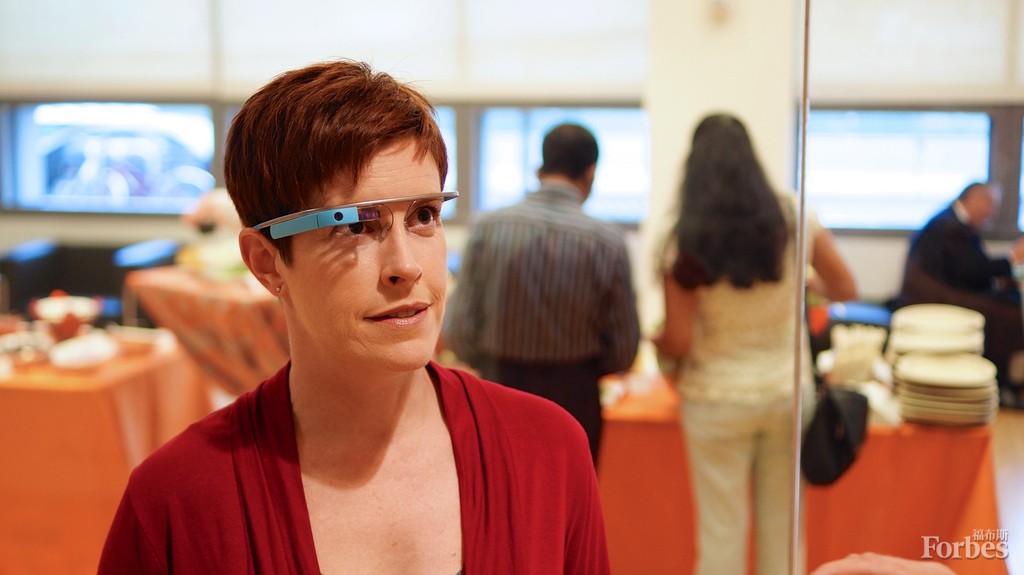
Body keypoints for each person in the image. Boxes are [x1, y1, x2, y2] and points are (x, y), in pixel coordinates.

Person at [98, 60, 609, 574]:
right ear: (266, 262)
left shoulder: (548, 452)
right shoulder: (177, 503)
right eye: (354, 226)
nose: (406, 266)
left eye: (424, 215)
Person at [652, 113, 857, 575]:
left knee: (721, 535)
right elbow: (845, 286)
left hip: (715, 398)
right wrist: (801, 282)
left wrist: (656, 338)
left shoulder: (682, 236)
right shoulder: (793, 216)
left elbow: (679, 340)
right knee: (784, 534)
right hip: (787, 393)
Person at [442, 122, 641, 465]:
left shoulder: (487, 228)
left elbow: (459, 330)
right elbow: (624, 349)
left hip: (499, 388)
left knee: (502, 493)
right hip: (576, 398)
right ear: (590, 174)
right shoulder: (607, 242)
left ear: (540, 169)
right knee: (567, 494)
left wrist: (490, 361)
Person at [897, 181, 1024, 408]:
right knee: (1010, 313)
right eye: (990, 206)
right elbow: (973, 273)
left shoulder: (954, 223)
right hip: (937, 300)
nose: (992, 214)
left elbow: (971, 271)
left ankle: (1000, 383)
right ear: (975, 199)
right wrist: (1010, 258)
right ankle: (1000, 385)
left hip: (948, 293)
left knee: (1009, 300)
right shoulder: (950, 226)